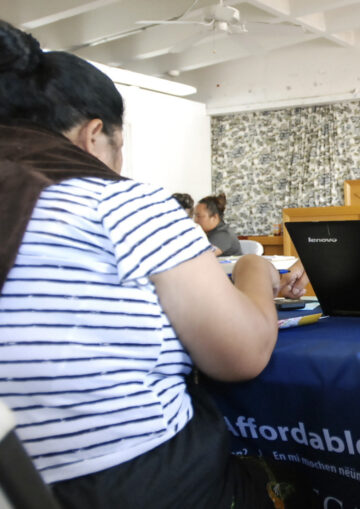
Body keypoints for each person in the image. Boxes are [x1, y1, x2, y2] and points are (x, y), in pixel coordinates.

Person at [0, 20, 309, 508]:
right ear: (93, 134)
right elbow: (242, 354)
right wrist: (254, 270)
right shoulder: (116, 203)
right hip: (133, 481)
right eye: (119, 149)